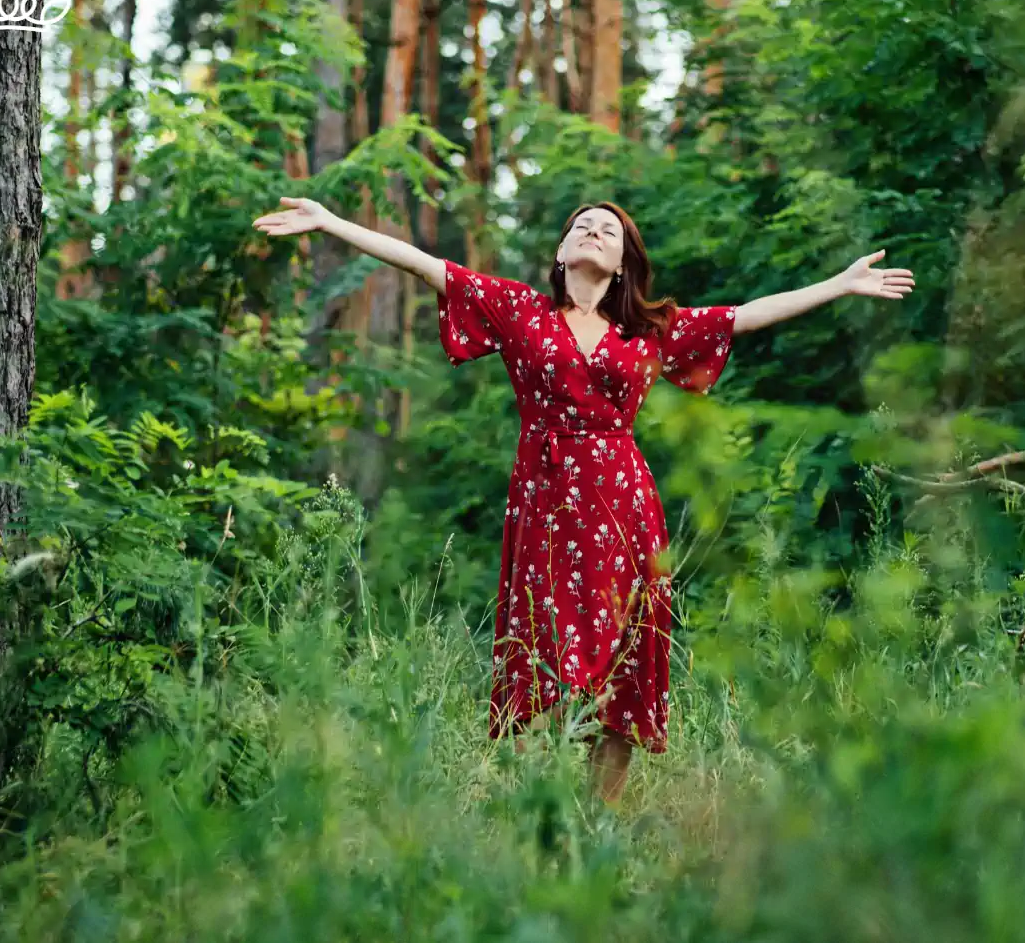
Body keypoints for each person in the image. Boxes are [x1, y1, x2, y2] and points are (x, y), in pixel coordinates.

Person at [253, 198, 915, 802]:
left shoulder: (648, 330)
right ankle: (535, 799)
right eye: (581, 227)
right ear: (562, 253)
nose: (594, 232)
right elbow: (428, 264)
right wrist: (331, 222)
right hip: (543, 499)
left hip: (623, 499)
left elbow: (743, 316)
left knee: (626, 650)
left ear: (623, 263)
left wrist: (841, 283)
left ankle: (604, 812)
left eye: (609, 230)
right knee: (543, 643)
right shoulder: (520, 311)